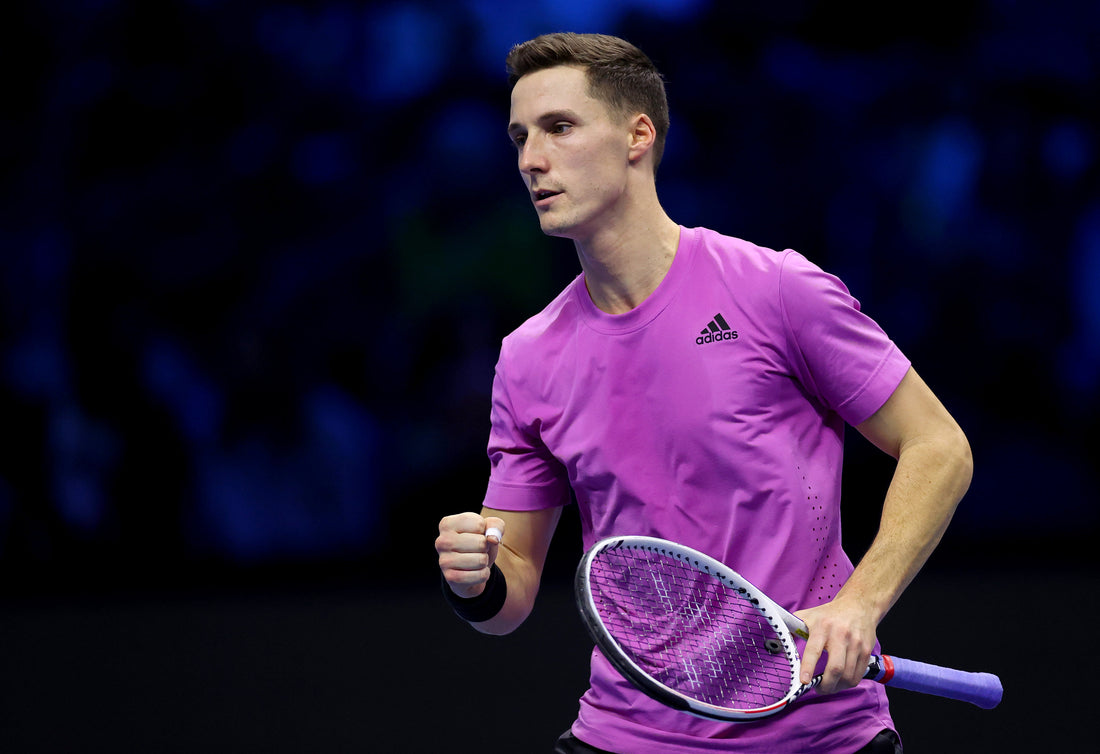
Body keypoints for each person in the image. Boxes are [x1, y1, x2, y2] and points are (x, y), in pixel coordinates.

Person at [435, 32, 972, 754]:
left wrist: (859, 606)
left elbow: (938, 446)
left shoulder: (776, 289)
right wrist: (474, 579)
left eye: (559, 128)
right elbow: (514, 585)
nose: (531, 158)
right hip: (626, 737)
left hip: (817, 736)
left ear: (638, 136)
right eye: (520, 137)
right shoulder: (529, 356)